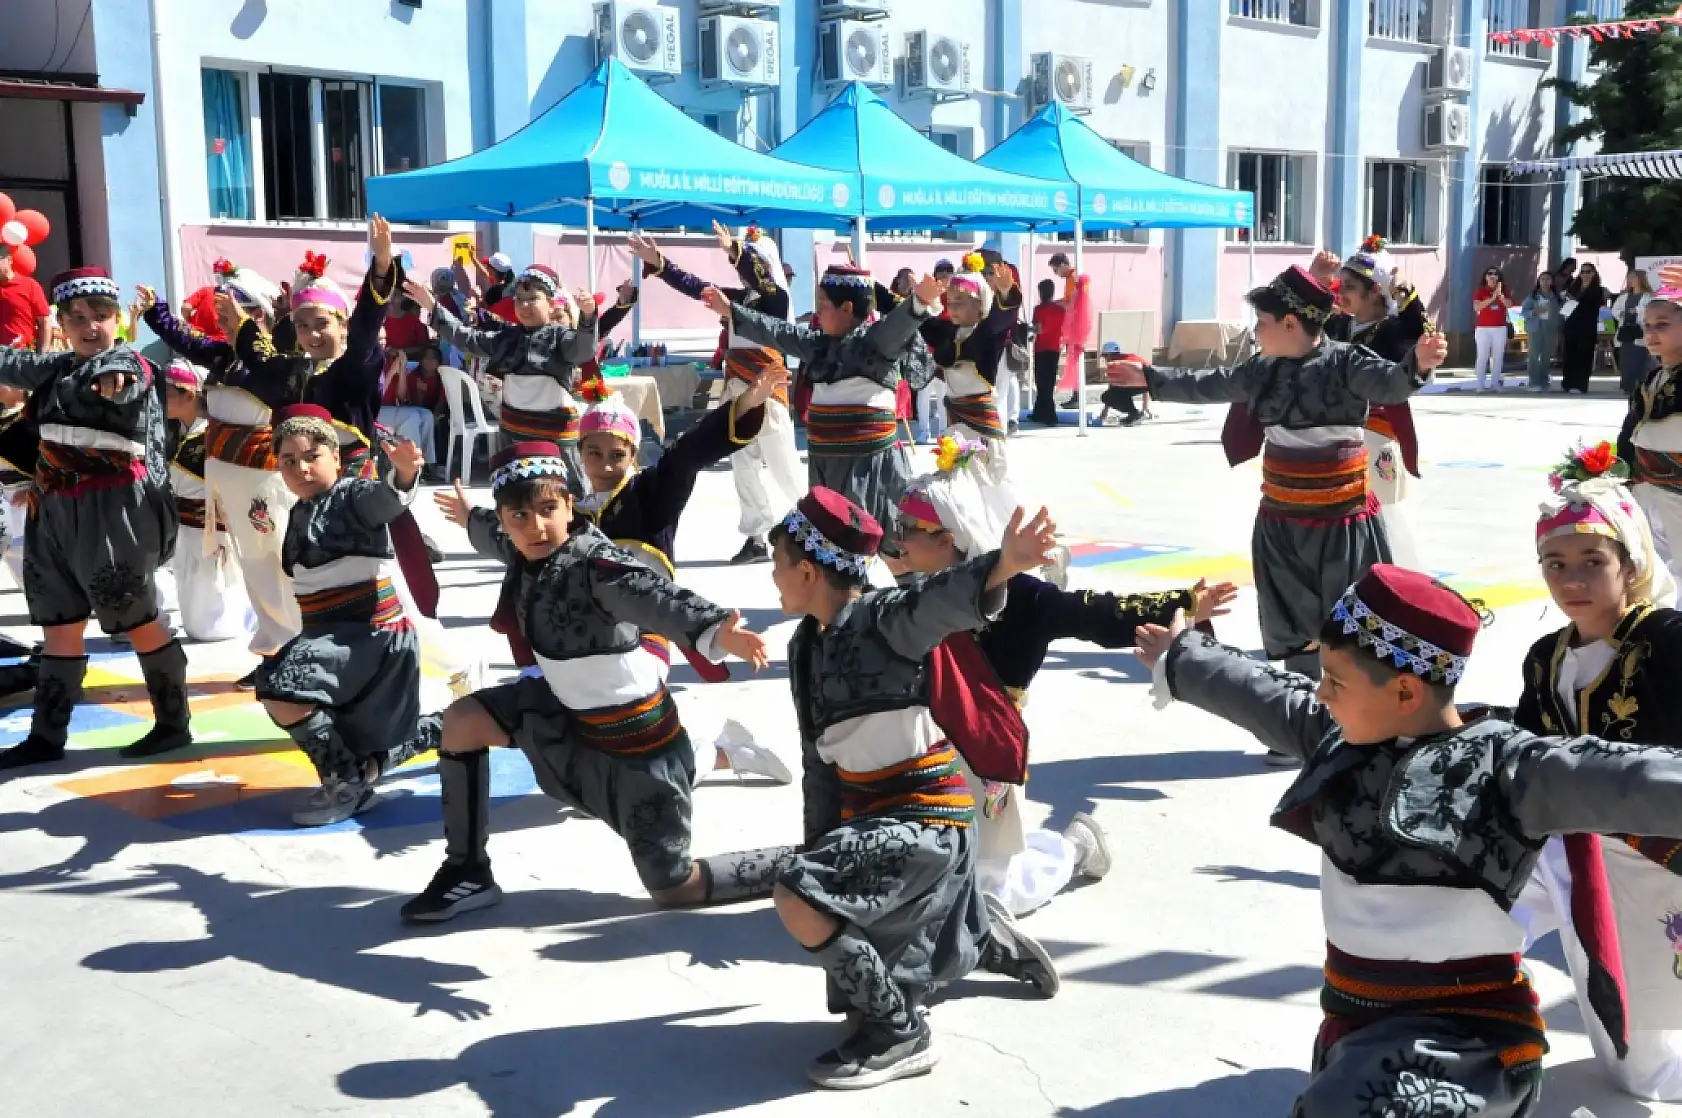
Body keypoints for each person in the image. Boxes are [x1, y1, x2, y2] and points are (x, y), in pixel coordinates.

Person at [1135, 562, 1682, 1118]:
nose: (1320, 694)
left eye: (1335, 680)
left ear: (1403, 690)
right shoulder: (1341, 735)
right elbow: (1267, 694)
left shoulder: (1512, 770)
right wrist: (1183, 654)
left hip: (1466, 1039)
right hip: (1355, 1022)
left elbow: (1631, 779)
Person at [400, 441, 770, 921]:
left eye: (547, 510)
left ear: (570, 504)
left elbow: (657, 596)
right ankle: (467, 872)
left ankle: (795, 865)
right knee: (463, 720)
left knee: (675, 888)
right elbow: (493, 532)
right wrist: (472, 516)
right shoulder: (520, 544)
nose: (535, 527)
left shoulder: (598, 566)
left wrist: (720, 629)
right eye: (519, 517)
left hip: (636, 745)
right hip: (563, 715)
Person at [766, 487, 1059, 1089]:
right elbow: (819, 765)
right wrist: (820, 850)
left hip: (931, 814)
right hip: (872, 814)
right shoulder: (805, 646)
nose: (772, 578)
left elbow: (941, 600)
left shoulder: (884, 619)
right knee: (837, 943)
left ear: (805, 570)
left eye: (776, 565)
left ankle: (904, 1035)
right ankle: (976, 936)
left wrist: (1003, 564)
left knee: (800, 900)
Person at [892, 447, 1238, 915]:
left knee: (994, 889)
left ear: (947, 537)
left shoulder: (1025, 598)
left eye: (907, 531)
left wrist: (1183, 602)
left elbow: (1097, 613)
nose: (898, 544)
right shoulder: (918, 593)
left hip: (985, 746)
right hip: (927, 745)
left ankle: (1074, 847)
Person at [1111, 265, 1448, 692]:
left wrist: (1417, 362)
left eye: (1262, 323)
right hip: (1282, 520)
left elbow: (1391, 384)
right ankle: (1301, 712)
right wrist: (1151, 379)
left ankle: (1361, 715)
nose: (1256, 332)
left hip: (1344, 522)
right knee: (1289, 619)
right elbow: (1212, 384)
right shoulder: (1262, 369)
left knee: (1353, 620)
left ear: (1290, 324)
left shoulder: (1346, 361)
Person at [1509, 442, 1682, 1103]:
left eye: (1591, 561)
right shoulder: (1543, 655)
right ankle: (1465, 1014)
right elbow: (1526, 750)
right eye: (1555, 563)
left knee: (1641, 1069)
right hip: (1567, 851)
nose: (1571, 579)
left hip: (1653, 854)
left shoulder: (1666, 640)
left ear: (1629, 563)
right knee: (1475, 907)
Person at [0, 267, 191, 771]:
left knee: (137, 618)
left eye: (102, 316)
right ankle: (46, 737)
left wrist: (116, 375)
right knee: (60, 623)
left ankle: (174, 723)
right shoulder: (56, 366)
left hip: (112, 512)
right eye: (78, 318)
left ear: (118, 319)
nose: (91, 326)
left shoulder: (130, 364)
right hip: (53, 510)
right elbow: (9, 363)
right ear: (60, 322)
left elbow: (127, 378)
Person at [255, 405, 428, 825]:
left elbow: (385, 500)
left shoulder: (354, 495)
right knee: (364, 738)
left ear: (336, 455)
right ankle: (366, 767)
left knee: (281, 690)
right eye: (289, 461)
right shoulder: (298, 511)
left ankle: (346, 783)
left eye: (312, 456)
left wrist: (403, 474)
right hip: (334, 636)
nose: (301, 469)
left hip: (369, 635)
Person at [701, 265, 937, 542]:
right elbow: (777, 331)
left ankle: (907, 581)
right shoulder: (817, 344)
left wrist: (919, 302)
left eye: (823, 305)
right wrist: (730, 310)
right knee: (833, 542)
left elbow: (898, 325)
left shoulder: (876, 341)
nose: (817, 312)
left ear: (847, 308)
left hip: (870, 465)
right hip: (825, 462)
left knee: (890, 543)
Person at [629, 224, 804, 566]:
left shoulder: (777, 300)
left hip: (768, 391)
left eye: (755, 261)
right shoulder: (742, 299)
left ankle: (819, 526)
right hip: (738, 391)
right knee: (742, 464)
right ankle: (756, 537)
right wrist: (660, 262)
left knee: (785, 466)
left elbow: (760, 293)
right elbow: (695, 286)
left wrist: (735, 251)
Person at [1305, 238, 1429, 570]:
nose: (1338, 292)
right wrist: (1313, 279)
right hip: (1335, 436)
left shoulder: (1391, 330)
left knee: (1383, 516)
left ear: (1374, 291)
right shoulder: (1337, 326)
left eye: (1348, 286)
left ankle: (1391, 585)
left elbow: (1420, 330)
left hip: (1375, 435)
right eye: (1337, 285)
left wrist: (1401, 286)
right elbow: (1297, 319)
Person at [408, 265, 597, 469]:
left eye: (532, 298)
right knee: (516, 494)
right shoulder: (507, 337)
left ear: (551, 304)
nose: (524, 305)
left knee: (560, 493)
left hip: (555, 438)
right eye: (519, 299)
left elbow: (584, 350)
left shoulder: (561, 338)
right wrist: (431, 305)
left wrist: (587, 316)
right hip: (514, 435)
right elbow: (466, 337)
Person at [161, 359, 254, 643]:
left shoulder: (211, 435)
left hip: (210, 528)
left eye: (166, 393)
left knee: (209, 617)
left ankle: (245, 619)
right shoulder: (179, 432)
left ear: (189, 395)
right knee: (192, 598)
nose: (160, 401)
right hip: (185, 526)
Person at [918, 256, 1010, 486]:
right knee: (956, 478)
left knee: (987, 478)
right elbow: (915, 319)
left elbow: (1002, 317)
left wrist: (1006, 293)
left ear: (980, 303)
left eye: (960, 301)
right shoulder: (947, 331)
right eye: (950, 302)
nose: (953, 308)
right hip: (955, 421)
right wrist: (919, 299)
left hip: (981, 422)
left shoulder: (987, 333)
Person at [1620, 285, 1682, 585]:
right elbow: (1630, 430)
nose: (1652, 332)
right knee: (1652, 569)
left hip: (1679, 494)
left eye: (1663, 325)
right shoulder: (1652, 376)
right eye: (1647, 326)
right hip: (1647, 489)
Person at [979, 248, 1026, 435]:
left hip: (999, 350)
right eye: (984, 273)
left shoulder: (1006, 296)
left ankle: (997, 440)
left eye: (989, 272)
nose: (986, 277)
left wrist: (1004, 293)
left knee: (998, 397)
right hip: (980, 353)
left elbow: (1001, 321)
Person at [379, 344, 445, 473]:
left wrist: (402, 370)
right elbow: (375, 396)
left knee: (426, 415)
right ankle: (413, 466)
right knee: (411, 416)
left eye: (385, 340)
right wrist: (392, 372)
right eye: (379, 340)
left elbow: (401, 397)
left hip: (391, 410)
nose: (384, 344)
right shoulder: (371, 362)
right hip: (375, 410)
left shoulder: (389, 360)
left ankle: (428, 464)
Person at [1563, 261, 1608, 394]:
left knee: (1584, 355)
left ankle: (1580, 384)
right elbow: (1566, 304)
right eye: (1583, 272)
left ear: (1594, 273)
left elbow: (1596, 305)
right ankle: (1568, 383)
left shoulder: (1599, 290)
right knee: (1569, 354)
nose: (1585, 274)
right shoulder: (1573, 287)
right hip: (1571, 325)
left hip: (1587, 326)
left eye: (1588, 271)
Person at [0, 244, 51, 352]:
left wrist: (43, 354)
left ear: (9, 260)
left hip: (22, 354)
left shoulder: (29, 285)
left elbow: (45, 321)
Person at [1613, 269, 1656, 395]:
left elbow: (1647, 312)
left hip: (1639, 331)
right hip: (1625, 331)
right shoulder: (1624, 297)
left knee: (1638, 359)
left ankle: (1639, 384)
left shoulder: (1648, 297)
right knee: (1625, 360)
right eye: (1629, 278)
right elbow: (1616, 310)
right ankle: (1626, 384)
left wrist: (1636, 311)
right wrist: (1622, 313)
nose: (1630, 280)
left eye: (1633, 277)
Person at [1029, 278, 1065, 425]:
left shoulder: (1038, 309)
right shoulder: (1060, 310)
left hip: (1041, 347)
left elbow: (1039, 329)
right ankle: (1040, 411)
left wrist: (1030, 330)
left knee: (1041, 381)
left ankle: (1049, 414)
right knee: (1049, 381)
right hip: (1054, 347)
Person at [1471, 267, 1512, 392]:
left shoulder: (1504, 291)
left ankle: (1495, 383)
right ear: (1485, 277)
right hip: (1483, 329)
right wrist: (1492, 298)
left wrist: (1500, 296)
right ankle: (1480, 384)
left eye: (1495, 274)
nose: (1492, 276)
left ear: (1499, 277)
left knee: (1498, 356)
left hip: (1500, 328)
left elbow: (1509, 304)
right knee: (1482, 356)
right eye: (1490, 274)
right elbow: (1477, 307)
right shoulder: (1481, 291)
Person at [1521, 272, 1561, 392]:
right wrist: (1534, 312)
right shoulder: (1532, 296)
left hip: (1550, 328)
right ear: (1539, 281)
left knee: (1546, 355)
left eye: (1548, 279)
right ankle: (1534, 381)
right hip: (1535, 327)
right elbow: (1524, 312)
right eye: (1542, 279)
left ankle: (1544, 380)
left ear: (1552, 282)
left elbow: (1562, 313)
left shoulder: (1556, 297)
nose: (1545, 282)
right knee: (1534, 354)